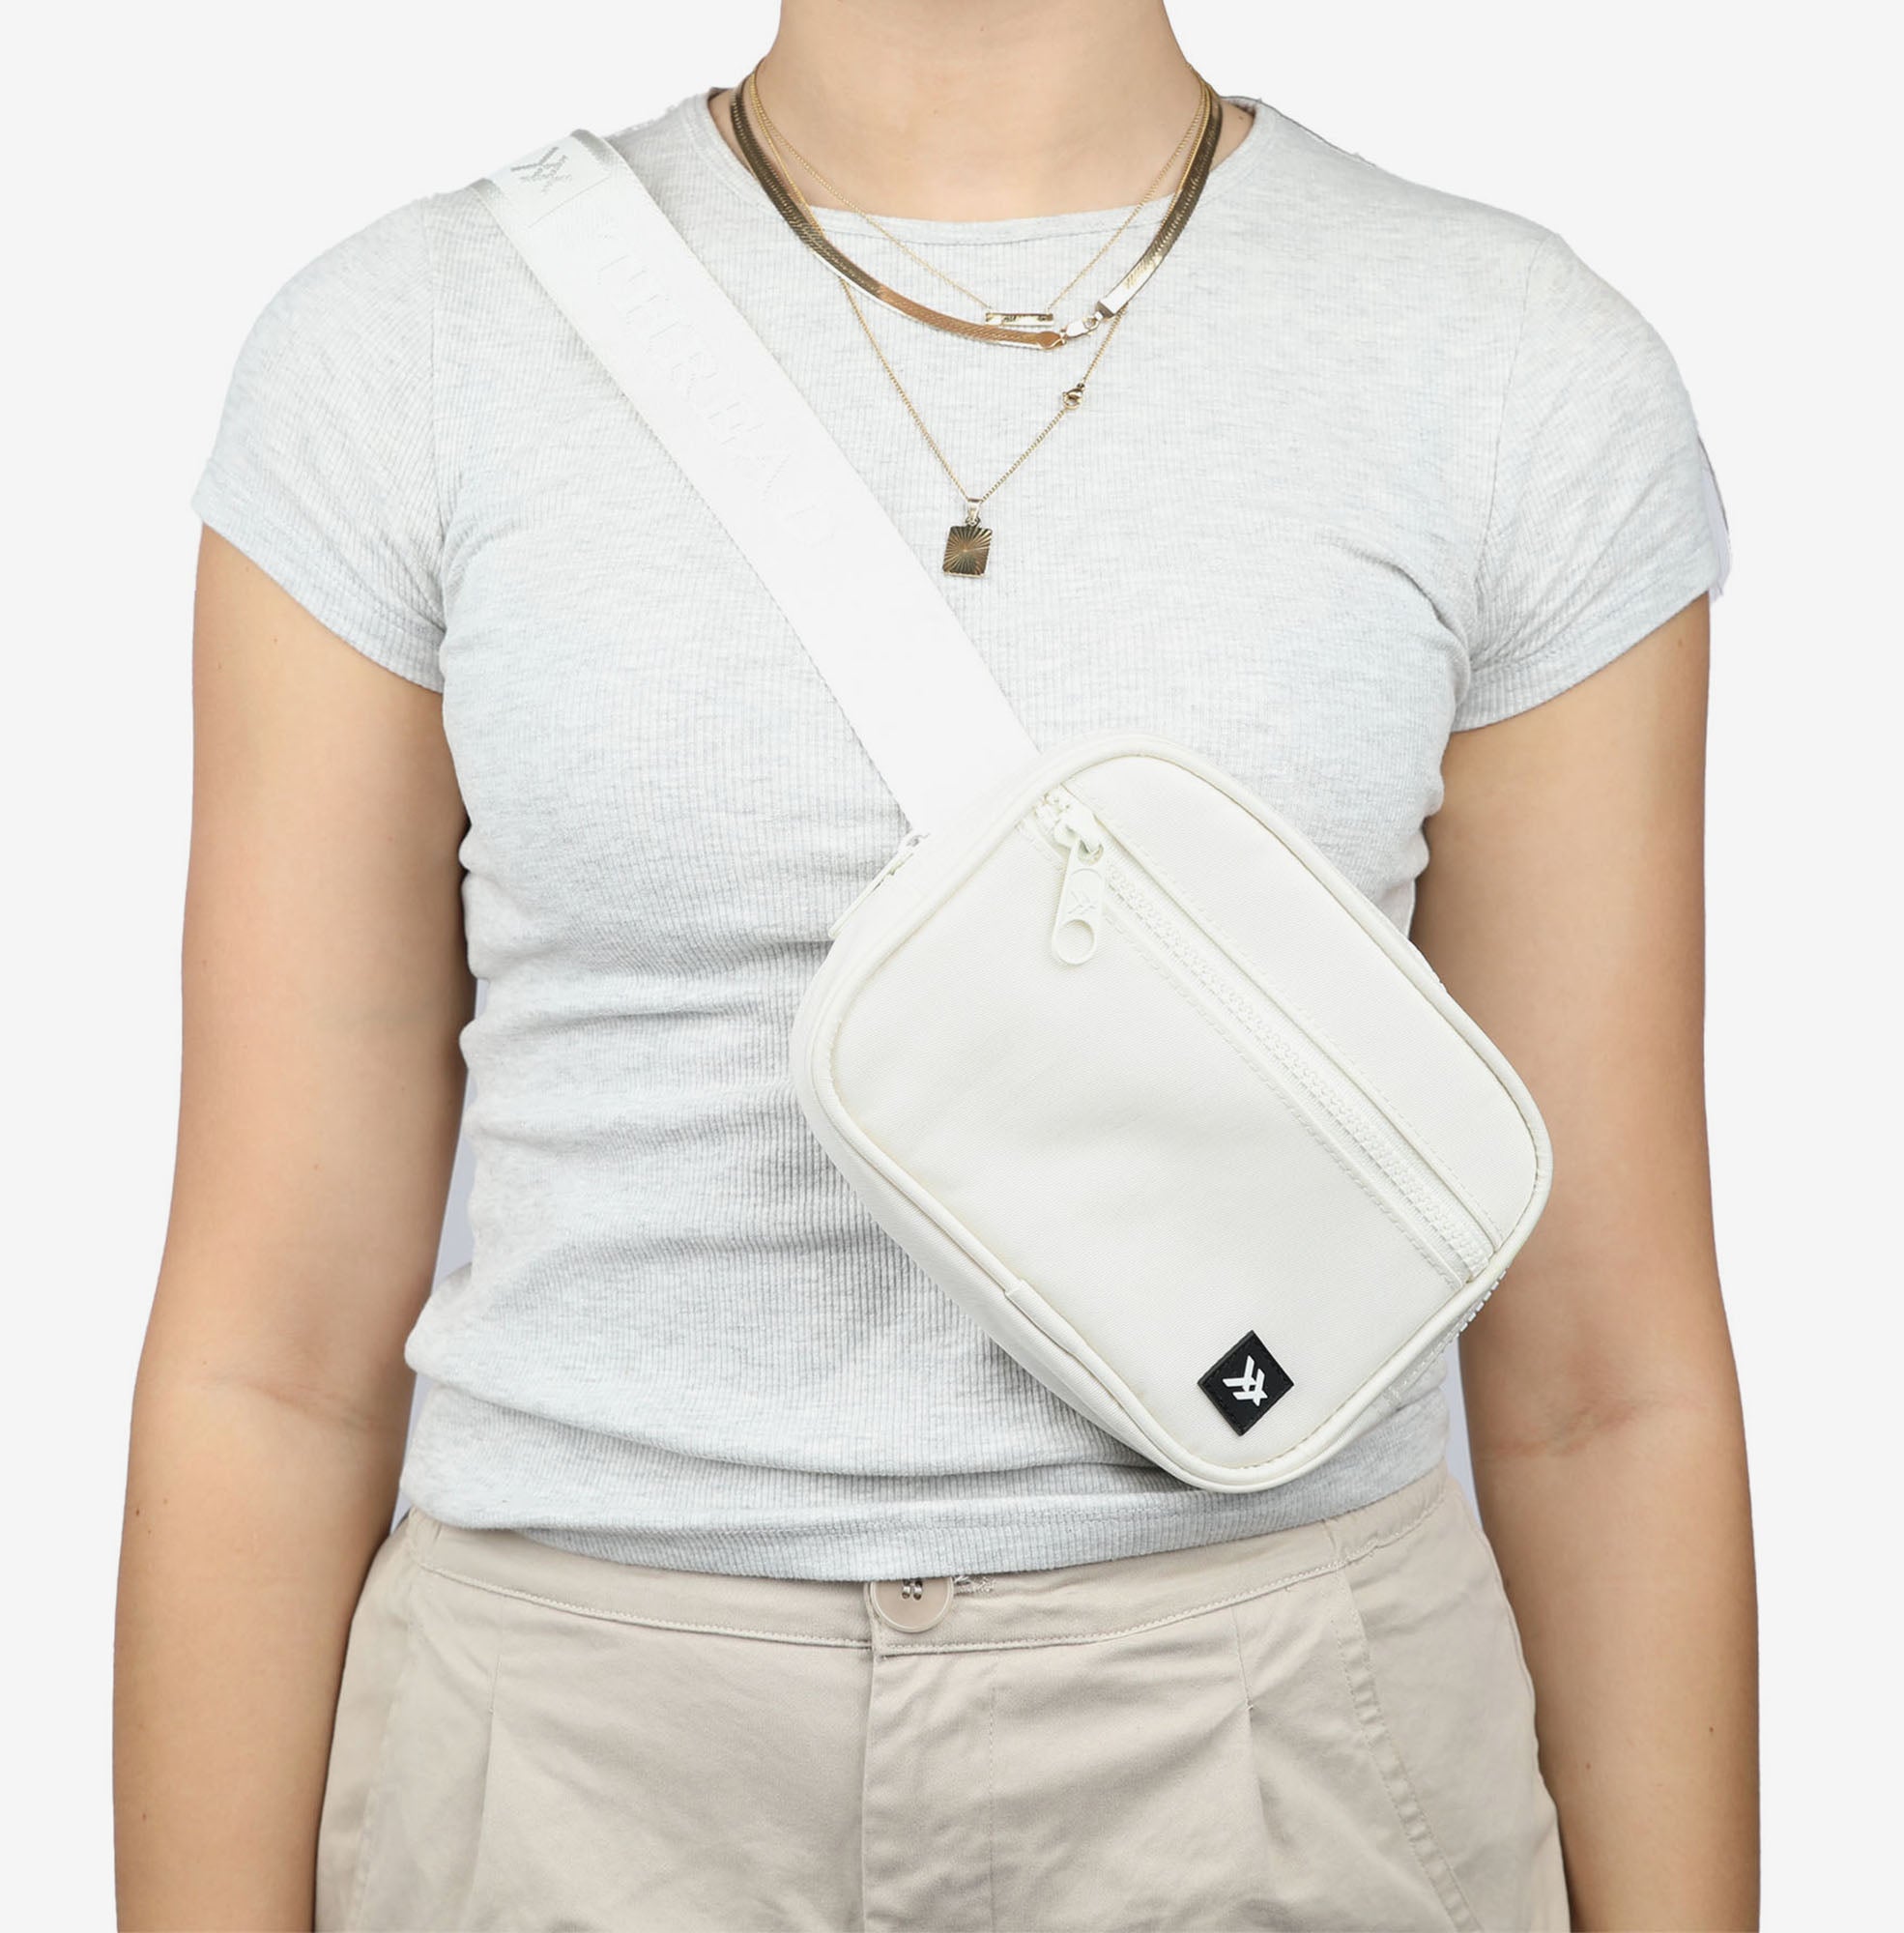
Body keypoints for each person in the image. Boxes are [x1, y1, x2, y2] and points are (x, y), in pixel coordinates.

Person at [113, 3, 1759, 1928]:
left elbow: (1600, 1379)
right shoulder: (405, 352)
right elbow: (273, 1356)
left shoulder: (1513, 369)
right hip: (572, 1758)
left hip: (1270, 1735)